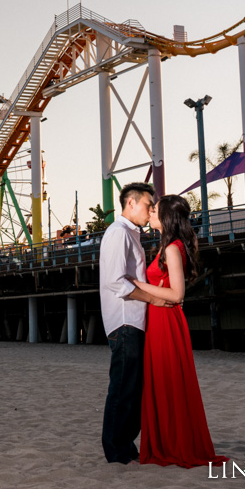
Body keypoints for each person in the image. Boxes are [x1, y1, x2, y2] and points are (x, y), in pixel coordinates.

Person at [132, 194, 229, 468]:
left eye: (155, 211)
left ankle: (174, 445)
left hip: (166, 320)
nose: (150, 213)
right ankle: (166, 442)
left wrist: (136, 285)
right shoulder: (165, 247)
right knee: (161, 382)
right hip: (159, 318)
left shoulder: (172, 249)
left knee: (168, 382)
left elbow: (176, 294)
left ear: (167, 218)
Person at [99, 182, 171, 464]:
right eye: (148, 205)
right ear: (131, 203)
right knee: (123, 387)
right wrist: (152, 300)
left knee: (132, 388)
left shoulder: (131, 234)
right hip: (125, 320)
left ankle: (124, 446)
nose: (151, 210)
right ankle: (116, 451)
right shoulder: (118, 234)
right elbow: (115, 281)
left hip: (134, 321)